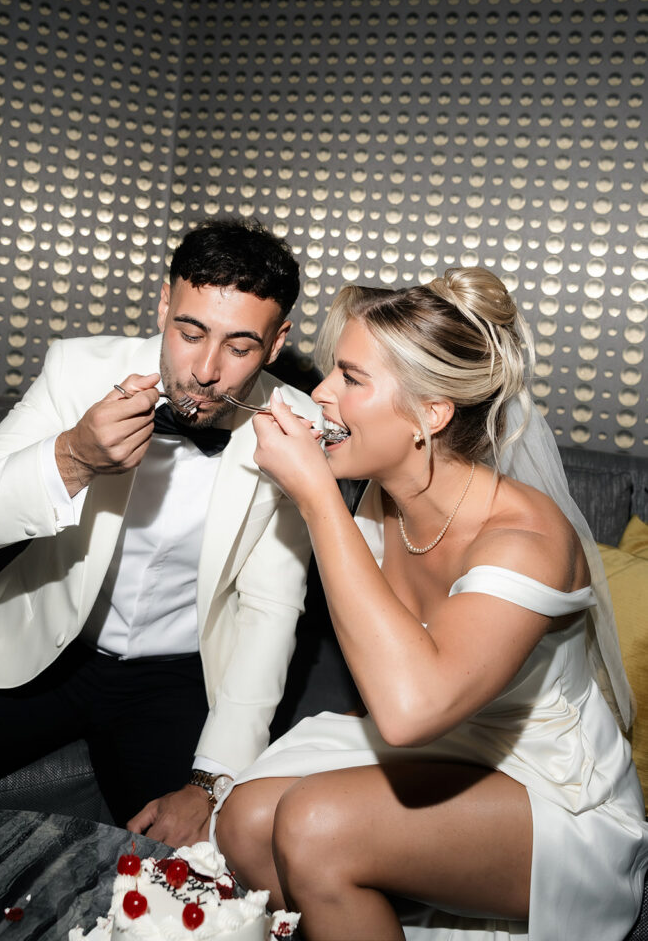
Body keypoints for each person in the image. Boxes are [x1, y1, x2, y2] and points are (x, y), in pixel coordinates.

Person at [214, 268, 648, 941]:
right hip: (448, 751)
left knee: (315, 823)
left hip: (551, 792)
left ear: (430, 413)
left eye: (351, 379)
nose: (320, 394)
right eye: (332, 372)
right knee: (242, 820)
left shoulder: (521, 540)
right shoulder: (378, 497)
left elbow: (410, 711)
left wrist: (317, 500)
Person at [0, 217, 319, 844]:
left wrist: (214, 781)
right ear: (163, 304)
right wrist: (72, 455)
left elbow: (271, 608)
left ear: (275, 342)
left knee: (206, 868)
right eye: (190, 332)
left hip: (176, 678)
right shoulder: (76, 369)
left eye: (239, 347)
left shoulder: (294, 426)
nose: (206, 370)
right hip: (45, 647)